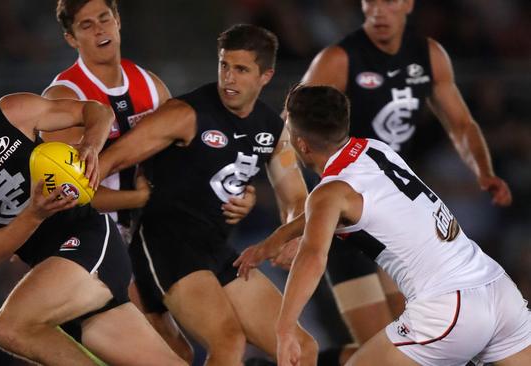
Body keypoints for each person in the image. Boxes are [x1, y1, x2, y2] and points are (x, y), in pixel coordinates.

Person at [240, 0, 513, 361]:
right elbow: (285, 138)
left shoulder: (427, 56)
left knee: (396, 348)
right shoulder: (344, 74)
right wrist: (287, 228)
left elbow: (461, 124)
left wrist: (483, 170)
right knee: (384, 344)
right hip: (479, 281)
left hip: (404, 245)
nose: (380, 10)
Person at [0, 66, 186, 366]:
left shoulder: (11, 113)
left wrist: (91, 147)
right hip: (55, 271)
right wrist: (34, 214)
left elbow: (96, 111)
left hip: (88, 239)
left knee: (9, 328)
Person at [40, 1, 255, 361]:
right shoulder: (64, 98)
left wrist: (236, 188)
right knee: (170, 352)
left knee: (192, 348)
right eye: (86, 25)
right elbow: (66, 196)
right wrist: (139, 200)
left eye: (105, 19)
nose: (99, 31)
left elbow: (187, 162)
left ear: (118, 21)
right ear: (70, 38)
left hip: (151, 237)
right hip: (97, 244)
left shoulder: (151, 86)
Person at [96, 24, 318, 364]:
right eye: (224, 65)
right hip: (166, 243)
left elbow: (295, 199)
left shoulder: (272, 130)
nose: (229, 78)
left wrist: (291, 237)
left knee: (302, 350)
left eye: (241, 69)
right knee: (228, 342)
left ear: (266, 75)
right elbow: (104, 164)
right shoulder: (185, 114)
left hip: (217, 249)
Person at [275, 84, 531, 366]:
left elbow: (313, 255)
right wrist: (273, 242)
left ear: (301, 144)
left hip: (448, 306)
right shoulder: (376, 150)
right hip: (497, 288)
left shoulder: (330, 192)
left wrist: (285, 329)